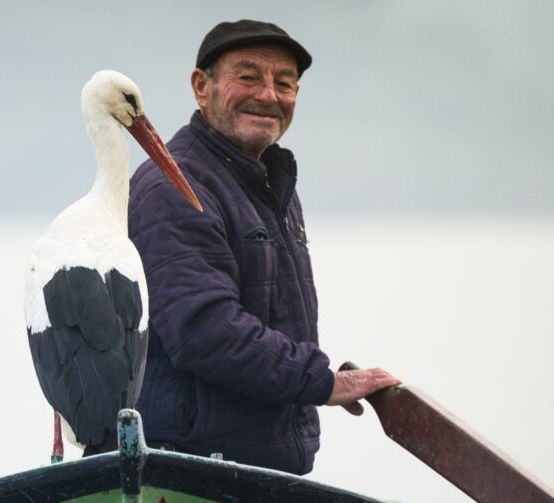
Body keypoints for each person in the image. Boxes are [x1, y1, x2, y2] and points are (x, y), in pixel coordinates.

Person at [128, 19, 398, 475]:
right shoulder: (174, 184)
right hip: (185, 472)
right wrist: (320, 381)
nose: (268, 95)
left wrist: (317, 382)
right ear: (202, 86)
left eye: (284, 83)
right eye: (248, 77)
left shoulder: (272, 186)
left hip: (258, 471)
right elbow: (203, 329)